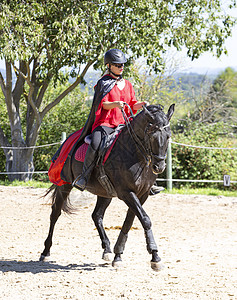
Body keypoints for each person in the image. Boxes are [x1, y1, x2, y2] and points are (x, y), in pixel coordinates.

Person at [73, 49, 164, 194]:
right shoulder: (103, 83)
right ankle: (84, 176)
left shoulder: (127, 84)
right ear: (108, 65)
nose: (121, 67)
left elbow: (132, 104)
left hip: (124, 124)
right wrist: (115, 104)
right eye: (117, 65)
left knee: (144, 143)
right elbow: (102, 105)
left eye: (122, 65)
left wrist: (142, 104)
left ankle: (149, 181)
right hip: (105, 124)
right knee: (95, 144)